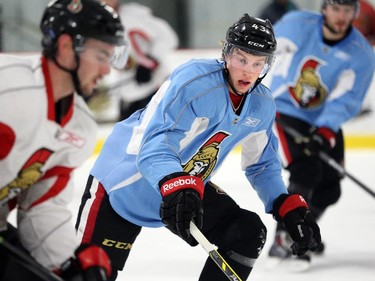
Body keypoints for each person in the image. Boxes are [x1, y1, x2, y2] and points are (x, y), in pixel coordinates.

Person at [75, 13, 322, 281]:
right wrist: (177, 184)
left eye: (258, 63)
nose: (248, 71)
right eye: (242, 59)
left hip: (184, 188)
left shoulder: (261, 104)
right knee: (88, 274)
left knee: (247, 233)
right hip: (123, 184)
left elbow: (261, 164)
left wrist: (283, 203)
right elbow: (155, 143)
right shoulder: (195, 82)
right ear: (227, 55)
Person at [0, 0, 129, 280]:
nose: (107, 71)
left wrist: (69, 263)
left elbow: (41, 206)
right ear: (67, 47)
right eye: (101, 55)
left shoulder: (79, 126)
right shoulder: (6, 87)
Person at [265, 0, 375, 271]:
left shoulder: (360, 52)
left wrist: (325, 129)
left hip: (322, 120)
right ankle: (285, 236)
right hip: (284, 111)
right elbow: (267, 55)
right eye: (336, 9)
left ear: (354, 14)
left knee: (330, 186)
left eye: (347, 11)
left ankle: (305, 230)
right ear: (324, 9)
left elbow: (348, 98)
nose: (341, 16)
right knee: (305, 171)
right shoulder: (296, 25)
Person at [88, 1, 179, 122]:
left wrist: (148, 63)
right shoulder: (98, 25)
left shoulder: (132, 16)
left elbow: (168, 37)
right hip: (126, 95)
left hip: (153, 89)